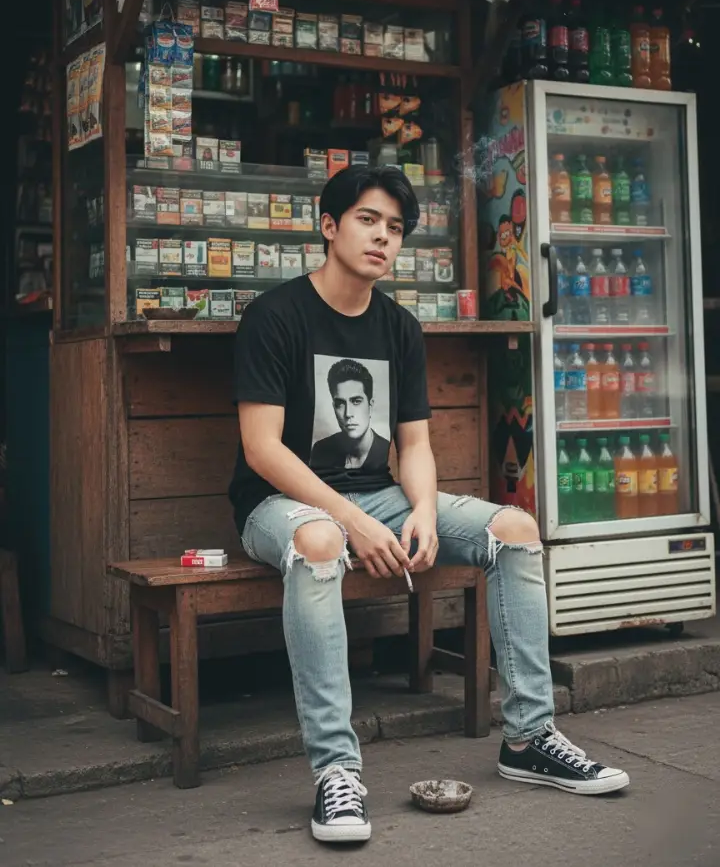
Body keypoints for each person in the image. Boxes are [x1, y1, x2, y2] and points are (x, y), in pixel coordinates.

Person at [230, 165, 629, 845]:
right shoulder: (276, 316)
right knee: (320, 541)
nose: (382, 237)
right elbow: (262, 449)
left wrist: (418, 508)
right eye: (367, 220)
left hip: (378, 496)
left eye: (394, 227)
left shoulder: (398, 327)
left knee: (514, 528)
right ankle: (336, 773)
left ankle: (529, 738)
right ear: (328, 226)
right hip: (279, 505)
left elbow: (414, 444)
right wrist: (350, 520)